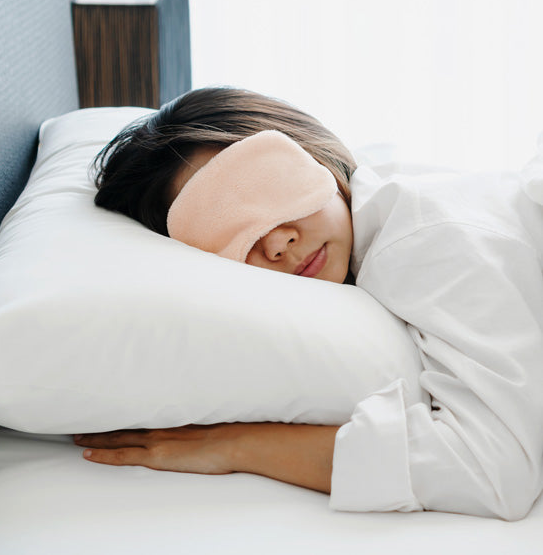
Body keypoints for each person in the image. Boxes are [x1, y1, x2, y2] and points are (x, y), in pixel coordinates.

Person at [75, 87, 543, 521]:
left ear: (309, 151)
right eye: (224, 229)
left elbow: (496, 466)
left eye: (265, 187)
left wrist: (233, 446)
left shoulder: (420, 240)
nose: (277, 241)